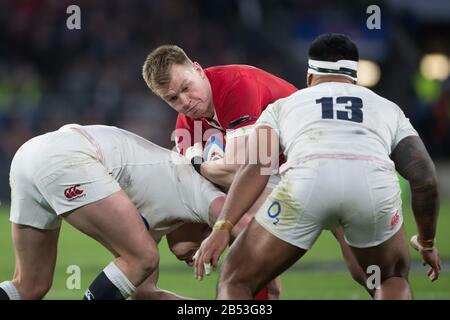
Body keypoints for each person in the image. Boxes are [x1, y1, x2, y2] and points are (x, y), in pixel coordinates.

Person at [193, 33, 441, 300]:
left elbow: (255, 168)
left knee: (236, 280)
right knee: (389, 277)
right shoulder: (387, 108)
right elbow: (425, 178)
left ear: (309, 77)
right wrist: (426, 242)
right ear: (354, 79)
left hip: (306, 187)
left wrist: (223, 227)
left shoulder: (283, 107)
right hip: (370, 188)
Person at [142, 45, 371, 297]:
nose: (185, 102)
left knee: (359, 261)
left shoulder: (236, 85)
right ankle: (265, 283)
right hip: (281, 170)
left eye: (186, 87)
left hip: (321, 161)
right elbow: (188, 178)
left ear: (198, 70)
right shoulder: (186, 121)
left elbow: (242, 169)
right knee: (187, 241)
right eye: (172, 98)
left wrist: (201, 164)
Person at [0, 124, 253, 300]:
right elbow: (253, 234)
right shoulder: (201, 190)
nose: (203, 258)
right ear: (206, 226)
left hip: (29, 156)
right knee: (142, 256)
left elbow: (147, 296)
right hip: (65, 156)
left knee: (30, 287)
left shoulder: (146, 232)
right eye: (203, 251)